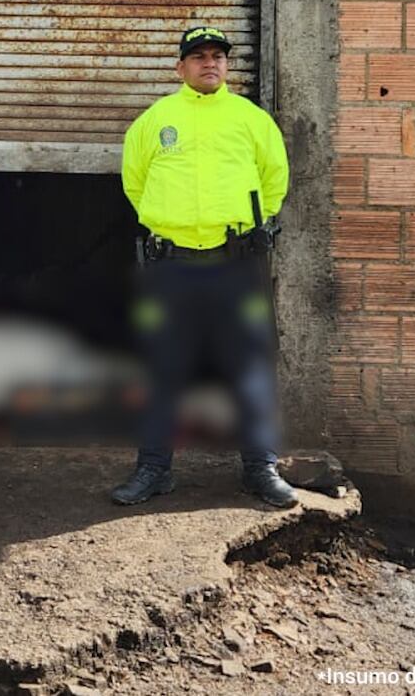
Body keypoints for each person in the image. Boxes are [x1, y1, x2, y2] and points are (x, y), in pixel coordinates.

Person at [112, 25, 297, 508]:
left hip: (237, 267)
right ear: (180, 68)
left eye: (217, 56)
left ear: (227, 66)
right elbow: (135, 183)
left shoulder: (251, 120)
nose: (209, 63)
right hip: (170, 268)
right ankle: (153, 469)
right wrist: (172, 225)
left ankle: (261, 468)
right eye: (198, 57)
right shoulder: (156, 120)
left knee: (249, 366)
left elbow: (275, 180)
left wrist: (247, 226)